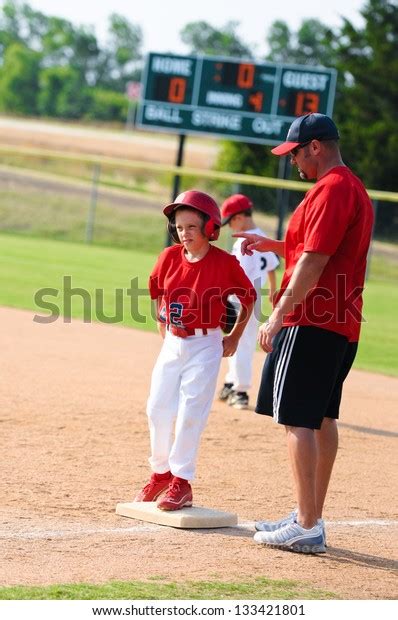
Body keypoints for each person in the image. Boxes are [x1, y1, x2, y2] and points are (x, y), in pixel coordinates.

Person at [236, 113, 374, 553]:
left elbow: (313, 263)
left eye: (295, 152)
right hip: (340, 321)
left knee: (297, 419)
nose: (293, 160)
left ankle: (308, 525)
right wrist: (277, 247)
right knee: (321, 418)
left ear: (315, 146)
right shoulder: (351, 187)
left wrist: (277, 316)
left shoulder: (331, 189)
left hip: (311, 319)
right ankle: (306, 513)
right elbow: (321, 250)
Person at [134, 190, 256, 511]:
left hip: (206, 344)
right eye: (178, 227)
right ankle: (160, 472)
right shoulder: (168, 257)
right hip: (174, 341)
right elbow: (156, 289)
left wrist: (234, 336)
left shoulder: (225, 264)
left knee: (190, 413)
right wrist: (162, 321)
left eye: (190, 227)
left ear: (210, 228)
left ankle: (182, 481)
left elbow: (248, 298)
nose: (182, 233)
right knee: (156, 407)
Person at [218, 194, 279, 409]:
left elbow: (238, 275)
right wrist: (272, 289)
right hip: (255, 297)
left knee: (239, 342)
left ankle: (241, 390)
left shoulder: (245, 241)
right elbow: (271, 266)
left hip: (243, 299)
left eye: (231, 220)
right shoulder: (262, 236)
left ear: (241, 217)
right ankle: (231, 380)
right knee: (238, 341)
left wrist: (223, 294)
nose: (230, 226)